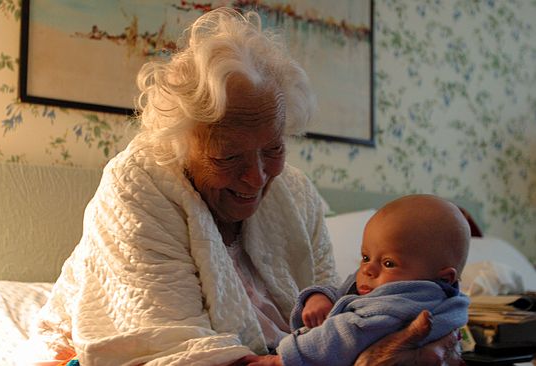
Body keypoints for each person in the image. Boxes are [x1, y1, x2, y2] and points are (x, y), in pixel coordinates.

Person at [30, 8, 465, 366]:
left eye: (272, 149)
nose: (257, 177)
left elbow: (341, 310)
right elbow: (171, 349)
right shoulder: (137, 186)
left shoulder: (295, 192)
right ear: (181, 145)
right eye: (227, 157)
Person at [240, 194, 471, 366]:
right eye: (365, 256)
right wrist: (319, 297)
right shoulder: (411, 290)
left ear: (443, 277)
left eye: (389, 263)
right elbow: (345, 291)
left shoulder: (398, 307)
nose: (368, 269)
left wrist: (281, 359)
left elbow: (344, 335)